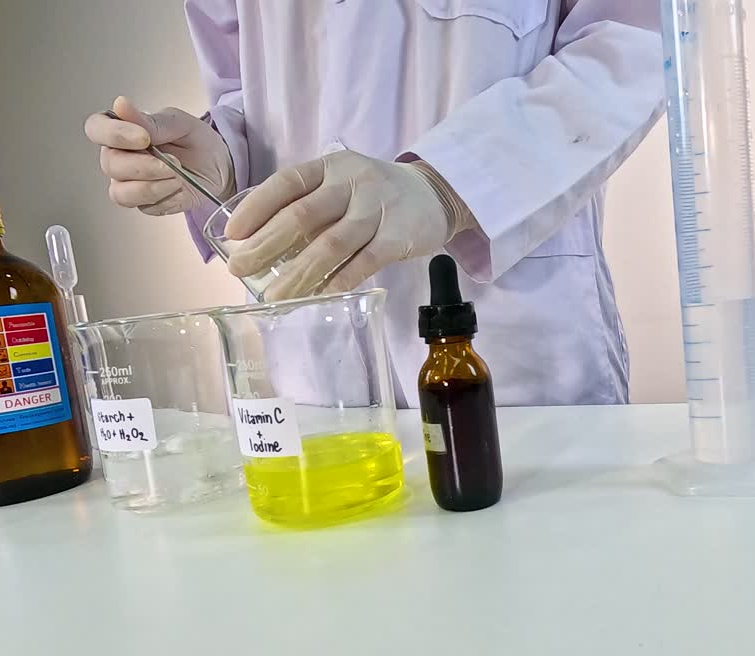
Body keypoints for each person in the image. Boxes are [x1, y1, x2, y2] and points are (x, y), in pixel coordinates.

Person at [85, 1, 663, 408]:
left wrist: (450, 185)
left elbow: (633, 42)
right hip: (315, 358)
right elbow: (249, 88)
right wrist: (223, 156)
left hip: (512, 357)